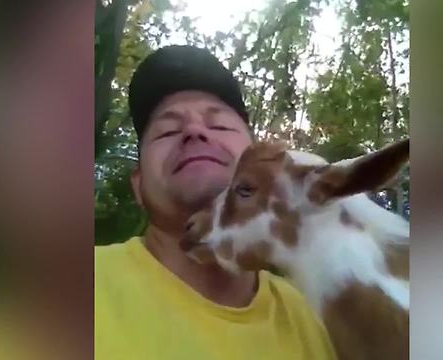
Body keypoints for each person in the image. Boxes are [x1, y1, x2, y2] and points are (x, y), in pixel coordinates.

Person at [95, 45, 337, 360]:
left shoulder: (316, 321)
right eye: (167, 131)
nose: (194, 131)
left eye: (219, 125)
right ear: (139, 186)